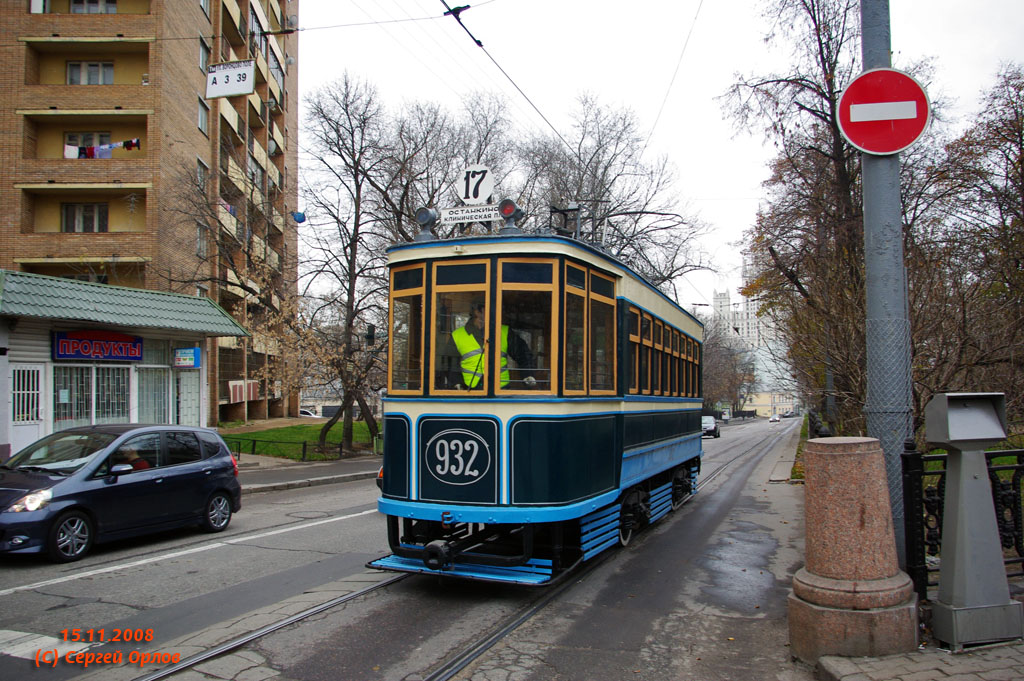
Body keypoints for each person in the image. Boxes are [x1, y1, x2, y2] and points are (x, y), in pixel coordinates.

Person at [443, 302, 537, 390]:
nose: (494, 313)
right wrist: (456, 383)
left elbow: (523, 354)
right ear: (477, 312)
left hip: (501, 391)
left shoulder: (504, 332)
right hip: (470, 391)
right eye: (489, 309)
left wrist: (528, 375)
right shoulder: (457, 335)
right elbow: (449, 364)